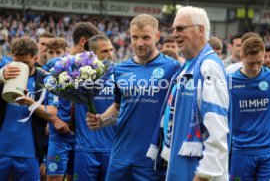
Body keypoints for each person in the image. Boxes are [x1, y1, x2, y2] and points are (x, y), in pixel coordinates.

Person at [86, 14, 180, 180]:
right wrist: (101, 120)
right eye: (135, 37)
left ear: (157, 37)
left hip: (152, 160)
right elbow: (117, 107)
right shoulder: (121, 69)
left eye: (146, 37)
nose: (139, 43)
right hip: (120, 157)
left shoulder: (172, 67)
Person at [158, 6, 230, 180]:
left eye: (181, 28)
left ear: (200, 30)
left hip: (199, 173)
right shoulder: (188, 66)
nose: (174, 34)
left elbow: (217, 126)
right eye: (173, 29)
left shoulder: (209, 66)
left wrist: (205, 174)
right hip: (181, 167)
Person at [0, 37, 69, 180]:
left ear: (35, 58)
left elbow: (52, 113)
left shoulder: (45, 80)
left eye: (25, 63)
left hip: (30, 153)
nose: (20, 66)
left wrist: (30, 103)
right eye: (16, 61)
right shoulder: (5, 72)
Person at [45, 22, 100, 181]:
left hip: (82, 135)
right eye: (92, 44)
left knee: (75, 177)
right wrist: (54, 119)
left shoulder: (95, 68)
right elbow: (46, 91)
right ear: (83, 41)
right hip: (60, 134)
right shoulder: (57, 64)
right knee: (54, 178)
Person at [229, 36, 270, 180]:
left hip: (269, 150)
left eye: (259, 62)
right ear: (241, 57)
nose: (256, 67)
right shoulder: (229, 81)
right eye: (251, 63)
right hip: (241, 151)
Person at [73, 35, 116, 180]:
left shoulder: (121, 75)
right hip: (85, 149)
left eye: (111, 50)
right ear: (92, 55)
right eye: (105, 51)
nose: (110, 54)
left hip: (113, 149)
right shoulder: (77, 76)